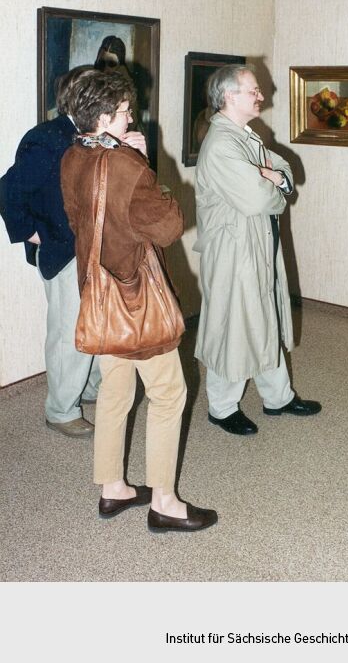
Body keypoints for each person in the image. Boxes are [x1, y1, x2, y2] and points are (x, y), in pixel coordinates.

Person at [61, 69, 217, 531]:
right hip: (136, 300)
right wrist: (148, 167)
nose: (132, 116)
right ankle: (164, 503)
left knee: (115, 388)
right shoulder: (127, 165)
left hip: (100, 294)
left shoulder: (72, 157)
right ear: (106, 117)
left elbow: (79, 220)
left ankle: (113, 488)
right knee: (170, 394)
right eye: (126, 111)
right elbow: (169, 226)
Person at [194, 64, 321, 435]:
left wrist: (273, 177)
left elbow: (282, 170)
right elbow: (254, 199)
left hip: (255, 242)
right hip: (233, 248)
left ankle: (277, 396)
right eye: (253, 90)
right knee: (232, 324)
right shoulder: (221, 143)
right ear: (230, 96)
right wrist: (271, 184)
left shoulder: (243, 135)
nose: (261, 96)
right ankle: (221, 407)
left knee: (265, 317)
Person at [0, 65, 102, 437]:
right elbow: (9, 190)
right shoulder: (47, 138)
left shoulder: (94, 134)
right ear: (84, 98)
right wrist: (31, 233)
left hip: (93, 247)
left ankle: (87, 390)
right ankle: (60, 410)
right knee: (67, 332)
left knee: (91, 325)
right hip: (62, 251)